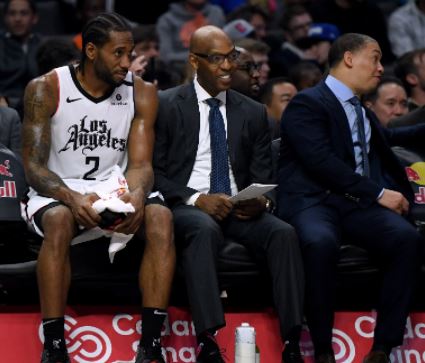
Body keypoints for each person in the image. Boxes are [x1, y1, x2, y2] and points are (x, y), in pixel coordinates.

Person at [21, 12, 175, 363]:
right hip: (59, 187)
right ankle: (55, 347)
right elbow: (33, 167)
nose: (127, 62)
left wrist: (135, 196)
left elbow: (139, 165)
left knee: (161, 217)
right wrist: (72, 198)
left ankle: (151, 348)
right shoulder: (46, 88)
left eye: (129, 52)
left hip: (115, 186)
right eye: (117, 53)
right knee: (59, 219)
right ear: (91, 51)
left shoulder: (142, 92)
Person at [153, 25, 305, 363]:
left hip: (238, 207)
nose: (226, 66)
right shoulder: (166, 104)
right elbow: (154, 174)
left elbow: (265, 176)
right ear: (195, 60)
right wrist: (196, 198)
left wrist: (261, 201)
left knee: (283, 233)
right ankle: (207, 340)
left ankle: (293, 340)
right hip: (188, 204)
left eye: (231, 57)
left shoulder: (253, 112)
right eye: (217, 59)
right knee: (203, 229)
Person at [277, 33, 425, 363]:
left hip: (351, 203)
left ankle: (383, 348)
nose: (380, 67)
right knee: (320, 242)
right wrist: (377, 192)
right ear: (348, 58)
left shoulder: (359, 108)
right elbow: (320, 160)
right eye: (374, 58)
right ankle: (323, 349)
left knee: (406, 239)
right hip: (314, 200)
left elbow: (389, 138)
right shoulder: (307, 103)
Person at [0, 0, 42, 111]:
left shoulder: (43, 44)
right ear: (5, 18)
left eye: (24, 13)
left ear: (34, 18)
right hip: (4, 107)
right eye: (12, 13)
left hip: (39, 105)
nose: (17, 19)